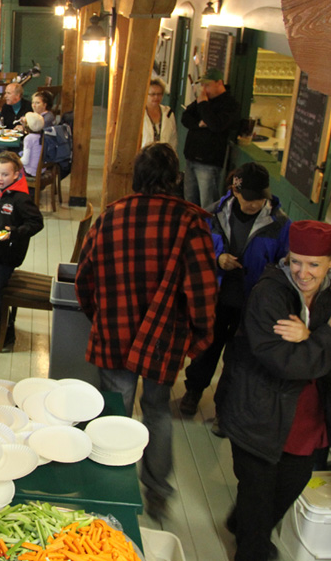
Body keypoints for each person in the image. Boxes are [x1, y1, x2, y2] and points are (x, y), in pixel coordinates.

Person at [75, 142, 218, 519]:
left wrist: (100, 317)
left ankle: (111, 489)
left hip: (114, 330)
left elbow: (84, 278)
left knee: (114, 412)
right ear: (175, 180)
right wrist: (198, 339)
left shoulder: (111, 216)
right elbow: (202, 290)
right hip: (164, 338)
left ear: (136, 178)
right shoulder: (190, 223)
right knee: (157, 412)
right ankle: (157, 494)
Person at [218, 220, 331, 561]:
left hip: (307, 417)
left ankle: (244, 522)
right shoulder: (269, 294)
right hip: (257, 413)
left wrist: (312, 340)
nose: (303, 272)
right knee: (258, 495)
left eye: (314, 264)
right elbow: (287, 364)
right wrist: (328, 337)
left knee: (290, 485)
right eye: (296, 261)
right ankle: (252, 547)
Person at [179, 162, 290, 419]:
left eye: (259, 198)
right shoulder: (213, 215)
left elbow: (285, 264)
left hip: (253, 302)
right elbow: (193, 253)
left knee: (240, 356)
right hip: (217, 298)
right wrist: (218, 260)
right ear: (235, 191)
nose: (254, 204)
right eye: (248, 198)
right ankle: (194, 390)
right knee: (207, 347)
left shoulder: (280, 225)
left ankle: (226, 406)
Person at [0, 151, 44, 346]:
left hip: (10, 251)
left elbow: (36, 222)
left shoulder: (21, 198)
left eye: (5, 174)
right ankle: (0, 314)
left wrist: (14, 232)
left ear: (16, 174)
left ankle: (7, 328)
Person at [181, 68, 241, 208]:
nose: (204, 89)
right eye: (202, 85)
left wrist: (203, 104)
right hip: (191, 158)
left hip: (209, 162)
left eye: (207, 85)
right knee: (189, 202)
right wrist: (199, 124)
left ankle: (207, 229)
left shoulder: (230, 105)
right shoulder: (203, 100)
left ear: (219, 83)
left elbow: (215, 125)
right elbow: (185, 118)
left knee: (207, 204)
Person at [141, 78, 177, 153]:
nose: (156, 97)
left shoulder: (168, 114)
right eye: (153, 94)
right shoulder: (140, 114)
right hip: (144, 158)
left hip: (163, 158)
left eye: (159, 94)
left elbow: (173, 139)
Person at [19, 111, 45, 177]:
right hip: (42, 170)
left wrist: (15, 160)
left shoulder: (29, 138)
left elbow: (25, 161)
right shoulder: (43, 136)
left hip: (31, 171)